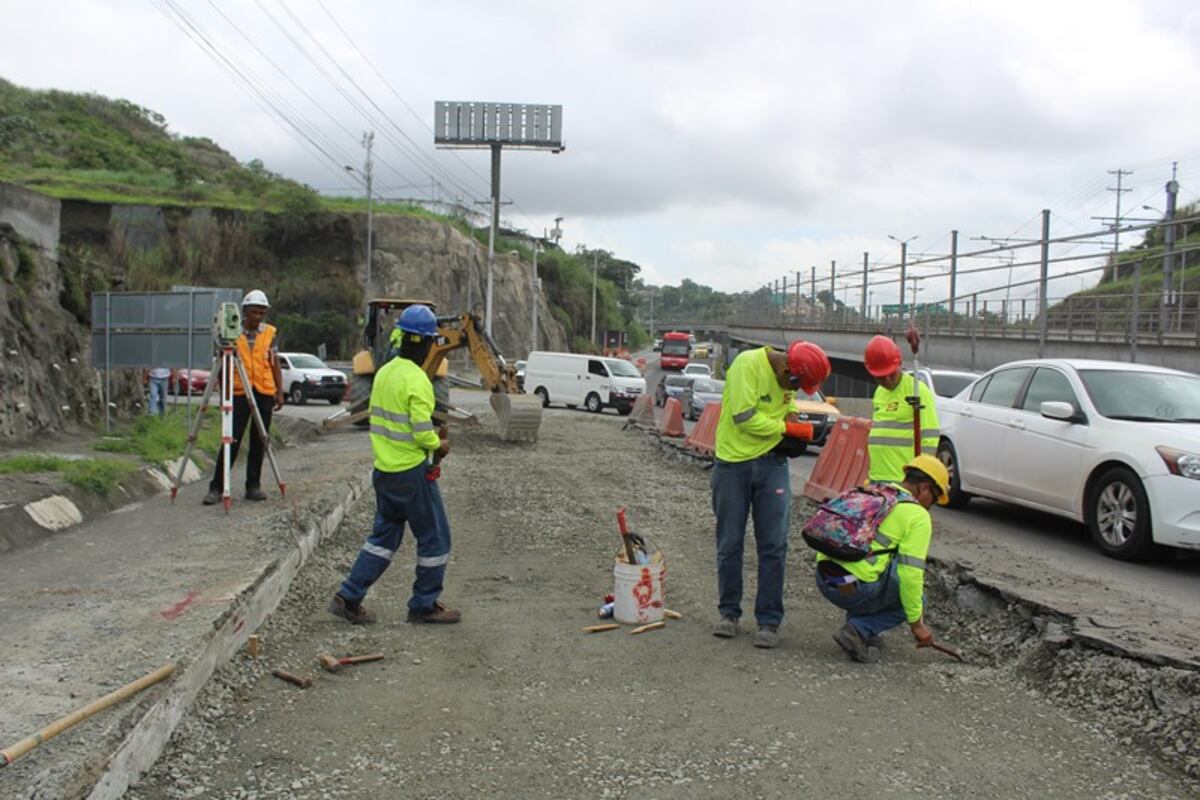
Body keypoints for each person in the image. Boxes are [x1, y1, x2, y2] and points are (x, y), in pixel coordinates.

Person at [329, 304, 460, 625]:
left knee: (384, 538)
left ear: (402, 338)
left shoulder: (384, 373)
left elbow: (380, 419)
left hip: (385, 472)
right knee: (435, 539)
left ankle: (349, 595)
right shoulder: (417, 380)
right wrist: (438, 444)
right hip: (412, 474)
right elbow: (419, 430)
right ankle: (423, 604)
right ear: (429, 344)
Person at [711, 340, 831, 649]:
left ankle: (769, 620)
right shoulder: (746, 366)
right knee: (730, 542)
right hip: (734, 464)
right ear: (789, 369)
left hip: (772, 465)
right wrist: (785, 429)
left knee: (774, 544)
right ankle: (729, 613)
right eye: (796, 384)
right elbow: (743, 416)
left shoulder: (788, 379)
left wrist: (794, 421)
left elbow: (787, 407)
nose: (791, 389)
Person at [815, 454, 950, 663]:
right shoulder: (917, 516)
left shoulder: (873, 491)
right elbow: (911, 576)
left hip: (825, 579)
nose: (930, 506)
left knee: (883, 562)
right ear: (924, 488)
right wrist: (917, 625)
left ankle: (861, 625)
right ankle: (858, 630)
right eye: (933, 499)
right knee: (916, 598)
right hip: (853, 589)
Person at [203, 290, 285, 505]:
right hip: (239, 392)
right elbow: (223, 366)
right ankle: (217, 487)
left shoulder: (269, 333)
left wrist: (279, 390)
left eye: (261, 312)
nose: (257, 316)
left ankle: (253, 486)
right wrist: (224, 393)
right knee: (232, 440)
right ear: (244, 312)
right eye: (254, 312)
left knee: (260, 441)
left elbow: (275, 362)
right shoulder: (231, 333)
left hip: (264, 391)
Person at [864, 335, 939, 483]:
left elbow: (930, 438)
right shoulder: (879, 392)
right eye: (880, 376)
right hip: (877, 479)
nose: (887, 380)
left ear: (899, 363)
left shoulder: (917, 390)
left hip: (903, 481)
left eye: (891, 374)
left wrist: (921, 477)